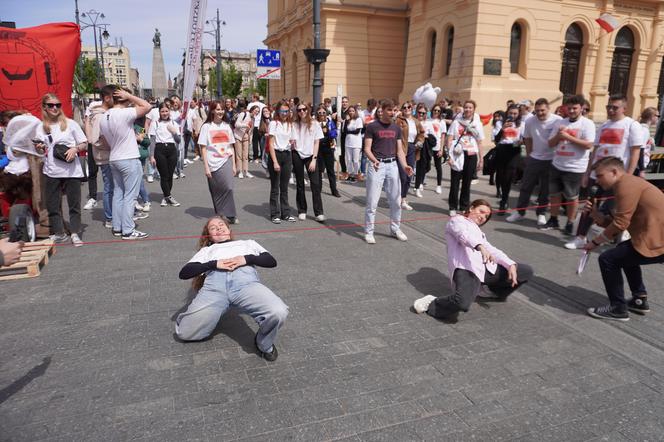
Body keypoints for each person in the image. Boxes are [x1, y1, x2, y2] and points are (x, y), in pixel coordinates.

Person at [175, 216, 288, 361]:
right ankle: (213, 314)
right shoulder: (207, 251)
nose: (218, 228)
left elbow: (271, 261)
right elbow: (184, 273)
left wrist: (246, 259)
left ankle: (264, 343)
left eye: (221, 225)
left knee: (278, 311)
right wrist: (214, 264)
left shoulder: (247, 244)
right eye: (213, 228)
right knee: (185, 333)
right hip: (215, 288)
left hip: (245, 284)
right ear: (209, 236)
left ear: (229, 229)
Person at [412, 199, 533, 322]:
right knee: (462, 304)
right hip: (467, 270)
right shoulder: (456, 220)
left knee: (525, 271)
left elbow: (492, 249)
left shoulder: (478, 231)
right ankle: (432, 303)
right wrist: (479, 246)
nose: (483, 217)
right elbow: (463, 235)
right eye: (481, 211)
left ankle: (491, 292)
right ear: (471, 208)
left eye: (486, 216)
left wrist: (510, 264)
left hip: (487, 269)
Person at [583, 157, 664, 321]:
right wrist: (597, 216)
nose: (597, 181)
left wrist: (594, 242)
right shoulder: (628, 183)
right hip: (651, 237)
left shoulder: (626, 185)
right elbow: (620, 222)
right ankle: (639, 299)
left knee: (608, 259)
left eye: (600, 176)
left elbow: (620, 224)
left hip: (657, 239)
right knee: (625, 255)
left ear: (614, 172)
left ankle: (618, 308)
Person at [564, 94, 645, 249]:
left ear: (624, 108)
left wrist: (628, 176)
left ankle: (620, 235)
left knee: (615, 208)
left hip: (617, 178)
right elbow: (595, 151)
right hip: (597, 175)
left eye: (615, 107)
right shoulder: (604, 126)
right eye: (609, 107)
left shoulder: (632, 125)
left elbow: (635, 152)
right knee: (589, 205)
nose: (611, 110)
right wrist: (588, 173)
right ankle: (581, 236)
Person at [99, 85, 152, 240]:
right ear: (121, 97)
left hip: (114, 157)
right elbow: (147, 106)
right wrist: (130, 97)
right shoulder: (124, 113)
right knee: (130, 195)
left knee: (119, 194)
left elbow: (104, 141)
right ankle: (128, 229)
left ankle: (117, 227)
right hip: (128, 157)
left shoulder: (105, 116)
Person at [35, 93, 88, 246]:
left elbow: (84, 143)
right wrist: (39, 148)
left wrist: (75, 149)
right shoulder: (41, 127)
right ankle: (59, 232)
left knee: (74, 204)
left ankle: (75, 233)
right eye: (51, 105)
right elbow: (41, 151)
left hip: (71, 171)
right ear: (44, 107)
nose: (55, 108)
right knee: (52, 205)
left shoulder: (70, 124)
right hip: (51, 170)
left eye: (58, 105)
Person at [540, 94, 595, 235]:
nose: (571, 111)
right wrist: (559, 136)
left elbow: (588, 145)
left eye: (574, 108)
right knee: (554, 195)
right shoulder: (560, 123)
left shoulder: (587, 124)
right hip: (557, 164)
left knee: (572, 197)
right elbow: (550, 143)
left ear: (582, 108)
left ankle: (570, 223)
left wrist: (568, 137)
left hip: (575, 167)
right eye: (569, 108)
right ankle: (553, 219)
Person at [363, 99, 413, 244]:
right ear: (382, 110)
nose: (393, 113)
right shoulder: (372, 127)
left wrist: (405, 166)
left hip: (392, 165)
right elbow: (367, 148)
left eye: (394, 110)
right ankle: (369, 231)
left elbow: (399, 151)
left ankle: (395, 228)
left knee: (396, 201)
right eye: (390, 110)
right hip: (377, 165)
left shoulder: (396, 128)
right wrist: (374, 160)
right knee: (372, 201)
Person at [507, 98, 562, 226]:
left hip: (552, 159)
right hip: (535, 158)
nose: (540, 113)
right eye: (537, 111)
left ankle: (541, 213)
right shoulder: (530, 120)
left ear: (548, 108)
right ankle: (520, 212)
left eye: (542, 110)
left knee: (545, 189)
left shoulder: (557, 120)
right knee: (526, 186)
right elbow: (527, 138)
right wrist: (530, 154)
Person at [198, 100, 238, 224]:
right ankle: (221, 213)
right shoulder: (207, 127)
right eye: (217, 109)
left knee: (229, 187)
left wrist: (234, 165)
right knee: (216, 189)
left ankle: (230, 214)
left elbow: (231, 146)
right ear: (212, 111)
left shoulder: (227, 126)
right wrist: (206, 167)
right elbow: (203, 148)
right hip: (212, 161)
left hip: (225, 160)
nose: (220, 112)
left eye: (222, 109)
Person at [446, 100, 485, 216]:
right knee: (455, 182)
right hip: (458, 155)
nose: (468, 109)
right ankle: (452, 206)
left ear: (474, 109)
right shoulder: (456, 122)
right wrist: (449, 156)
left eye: (470, 108)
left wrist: (481, 159)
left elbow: (480, 142)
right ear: (463, 108)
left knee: (467, 183)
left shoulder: (478, 124)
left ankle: (464, 206)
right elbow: (449, 139)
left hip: (471, 155)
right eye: (466, 107)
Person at [292, 103, 325, 222]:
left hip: (311, 155)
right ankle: (302, 210)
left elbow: (317, 142)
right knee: (300, 183)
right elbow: (292, 140)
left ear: (308, 110)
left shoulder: (315, 124)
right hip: (297, 154)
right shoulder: (295, 124)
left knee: (315, 184)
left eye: (304, 109)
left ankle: (318, 212)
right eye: (299, 110)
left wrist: (314, 160)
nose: (302, 111)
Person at [149, 102, 182, 207]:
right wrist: (152, 156)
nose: (164, 113)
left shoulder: (174, 123)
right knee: (164, 175)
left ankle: (166, 196)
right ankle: (169, 197)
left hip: (171, 149)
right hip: (160, 149)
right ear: (159, 112)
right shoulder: (155, 123)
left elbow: (178, 140)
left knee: (170, 175)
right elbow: (153, 141)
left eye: (166, 111)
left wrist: (174, 132)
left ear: (169, 111)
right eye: (162, 111)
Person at [267, 101, 296, 224]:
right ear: (278, 112)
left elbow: (292, 140)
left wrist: (293, 143)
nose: (285, 114)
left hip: (287, 155)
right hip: (276, 154)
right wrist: (274, 162)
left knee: (284, 187)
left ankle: (286, 213)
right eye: (282, 111)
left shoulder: (290, 124)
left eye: (287, 111)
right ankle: (275, 214)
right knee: (275, 187)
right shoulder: (274, 123)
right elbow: (271, 143)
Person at [493, 104, 524, 213]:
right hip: (502, 150)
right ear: (507, 113)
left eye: (515, 113)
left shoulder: (521, 125)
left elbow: (523, 140)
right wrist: (503, 129)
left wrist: (520, 144)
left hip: (514, 151)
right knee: (501, 176)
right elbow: (496, 140)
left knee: (509, 177)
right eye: (510, 113)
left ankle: (504, 201)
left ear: (518, 114)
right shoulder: (500, 123)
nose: (512, 115)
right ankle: (501, 192)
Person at [395, 101, 422, 211]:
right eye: (404, 107)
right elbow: (394, 131)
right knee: (402, 175)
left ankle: (403, 199)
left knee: (409, 175)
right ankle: (398, 198)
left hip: (412, 148)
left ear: (412, 108)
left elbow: (421, 133)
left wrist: (420, 141)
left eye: (409, 107)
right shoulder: (399, 120)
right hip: (401, 147)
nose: (407, 109)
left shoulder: (416, 121)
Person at [315, 104, 340, 198]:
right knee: (319, 170)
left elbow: (334, 134)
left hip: (329, 148)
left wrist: (328, 132)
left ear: (326, 113)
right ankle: (318, 188)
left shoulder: (329, 122)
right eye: (320, 112)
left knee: (330, 171)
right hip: (318, 148)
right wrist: (323, 137)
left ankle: (334, 190)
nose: (322, 114)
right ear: (317, 114)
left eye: (323, 112)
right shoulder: (315, 123)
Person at [343, 105, 363, 183]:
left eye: (353, 111)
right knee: (348, 159)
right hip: (348, 142)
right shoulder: (347, 120)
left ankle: (356, 174)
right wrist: (346, 121)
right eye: (350, 111)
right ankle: (350, 174)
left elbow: (357, 131)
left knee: (355, 160)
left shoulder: (358, 120)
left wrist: (349, 132)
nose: (351, 112)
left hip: (356, 143)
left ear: (355, 112)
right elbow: (344, 131)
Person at [248, 94, 266, 162]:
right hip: (261, 125)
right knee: (261, 141)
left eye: (252, 97)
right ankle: (262, 156)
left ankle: (255, 156)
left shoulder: (250, 105)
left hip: (254, 124)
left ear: (255, 97)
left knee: (254, 141)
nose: (252, 99)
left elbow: (248, 114)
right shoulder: (263, 105)